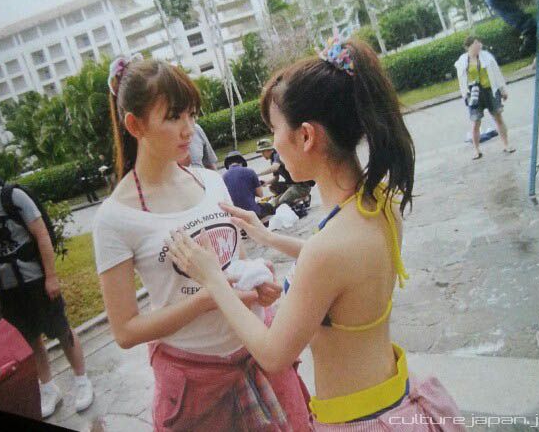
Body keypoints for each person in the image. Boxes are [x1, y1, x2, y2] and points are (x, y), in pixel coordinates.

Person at [167, 36, 464, 431]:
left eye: (274, 129)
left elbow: (273, 354)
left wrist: (212, 279)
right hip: (396, 399)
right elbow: (343, 264)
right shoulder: (378, 204)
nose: (273, 144)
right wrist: (268, 237)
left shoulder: (328, 251)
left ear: (306, 136)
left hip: (357, 421)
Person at [92, 55, 310, 431]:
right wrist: (205, 300)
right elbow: (125, 330)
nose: (189, 130)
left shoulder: (210, 182)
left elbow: (235, 265)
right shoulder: (115, 219)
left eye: (191, 115)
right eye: (173, 117)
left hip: (260, 353)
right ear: (134, 125)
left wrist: (258, 287)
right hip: (198, 384)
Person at [0, 150, 94, 419]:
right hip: (7, 288)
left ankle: (82, 380)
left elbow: (42, 235)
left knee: (61, 330)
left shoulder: (12, 197)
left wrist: (51, 277)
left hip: (36, 280)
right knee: (29, 338)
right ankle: (48, 387)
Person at [454, 36, 515, 160]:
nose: (479, 45)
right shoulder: (462, 61)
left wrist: (503, 90)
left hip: (490, 90)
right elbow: (461, 80)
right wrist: (465, 95)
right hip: (474, 93)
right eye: (476, 43)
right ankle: (477, 150)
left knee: (498, 117)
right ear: (469, 46)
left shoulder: (487, 57)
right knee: (476, 121)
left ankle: (506, 145)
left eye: (479, 43)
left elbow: (497, 73)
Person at [256, 138, 312, 208]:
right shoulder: (273, 159)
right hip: (291, 184)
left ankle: (303, 198)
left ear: (268, 150)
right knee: (272, 187)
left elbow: (274, 167)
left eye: (262, 152)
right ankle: (290, 196)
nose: (262, 154)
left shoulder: (277, 155)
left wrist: (257, 174)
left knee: (282, 202)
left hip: (301, 186)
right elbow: (276, 178)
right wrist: (266, 182)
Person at [223, 150, 274, 220]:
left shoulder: (223, 177)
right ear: (242, 162)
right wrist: (252, 187)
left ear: (227, 164)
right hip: (253, 212)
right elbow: (260, 194)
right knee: (269, 207)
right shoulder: (250, 172)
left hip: (236, 215)